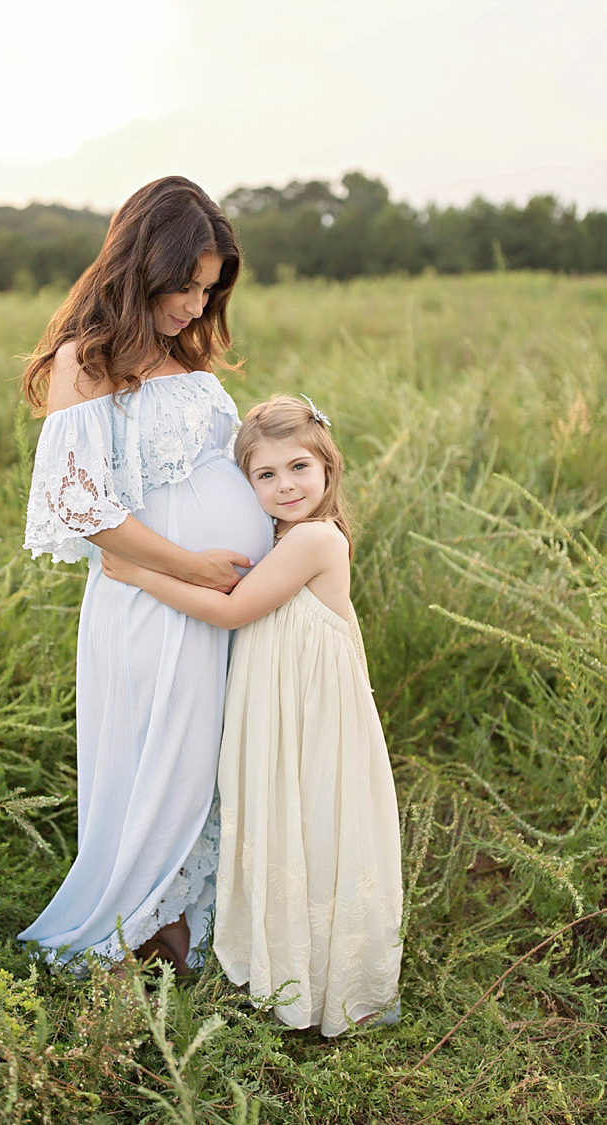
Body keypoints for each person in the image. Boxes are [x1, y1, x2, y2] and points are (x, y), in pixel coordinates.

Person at [17, 176, 274, 973]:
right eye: (186, 286)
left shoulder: (181, 357)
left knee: (206, 763)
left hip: (215, 605)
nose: (198, 306)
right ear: (141, 267)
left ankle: (182, 927)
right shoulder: (85, 362)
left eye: (209, 289)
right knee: (156, 762)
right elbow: (85, 510)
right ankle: (133, 929)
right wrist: (192, 566)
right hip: (154, 606)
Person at [101, 395, 403, 1034]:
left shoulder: (316, 538)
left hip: (311, 711)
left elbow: (233, 609)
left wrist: (139, 571)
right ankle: (283, 967)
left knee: (314, 826)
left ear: (328, 467)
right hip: (280, 704)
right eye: (265, 475)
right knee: (283, 823)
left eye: (299, 468)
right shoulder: (279, 537)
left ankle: (325, 984)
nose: (286, 485)